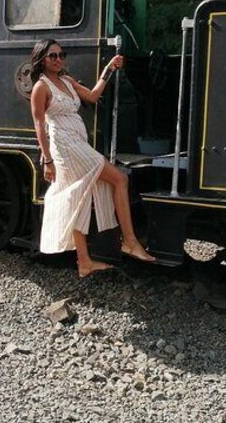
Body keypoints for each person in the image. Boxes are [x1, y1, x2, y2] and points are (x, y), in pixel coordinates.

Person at [29, 39, 157, 277]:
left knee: (80, 197)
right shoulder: (41, 87)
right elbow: (38, 123)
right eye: (52, 56)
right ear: (42, 59)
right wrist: (47, 159)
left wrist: (109, 69)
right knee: (119, 179)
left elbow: (93, 95)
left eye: (61, 55)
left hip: (77, 142)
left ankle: (84, 262)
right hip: (64, 146)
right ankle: (129, 241)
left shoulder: (66, 81)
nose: (58, 60)